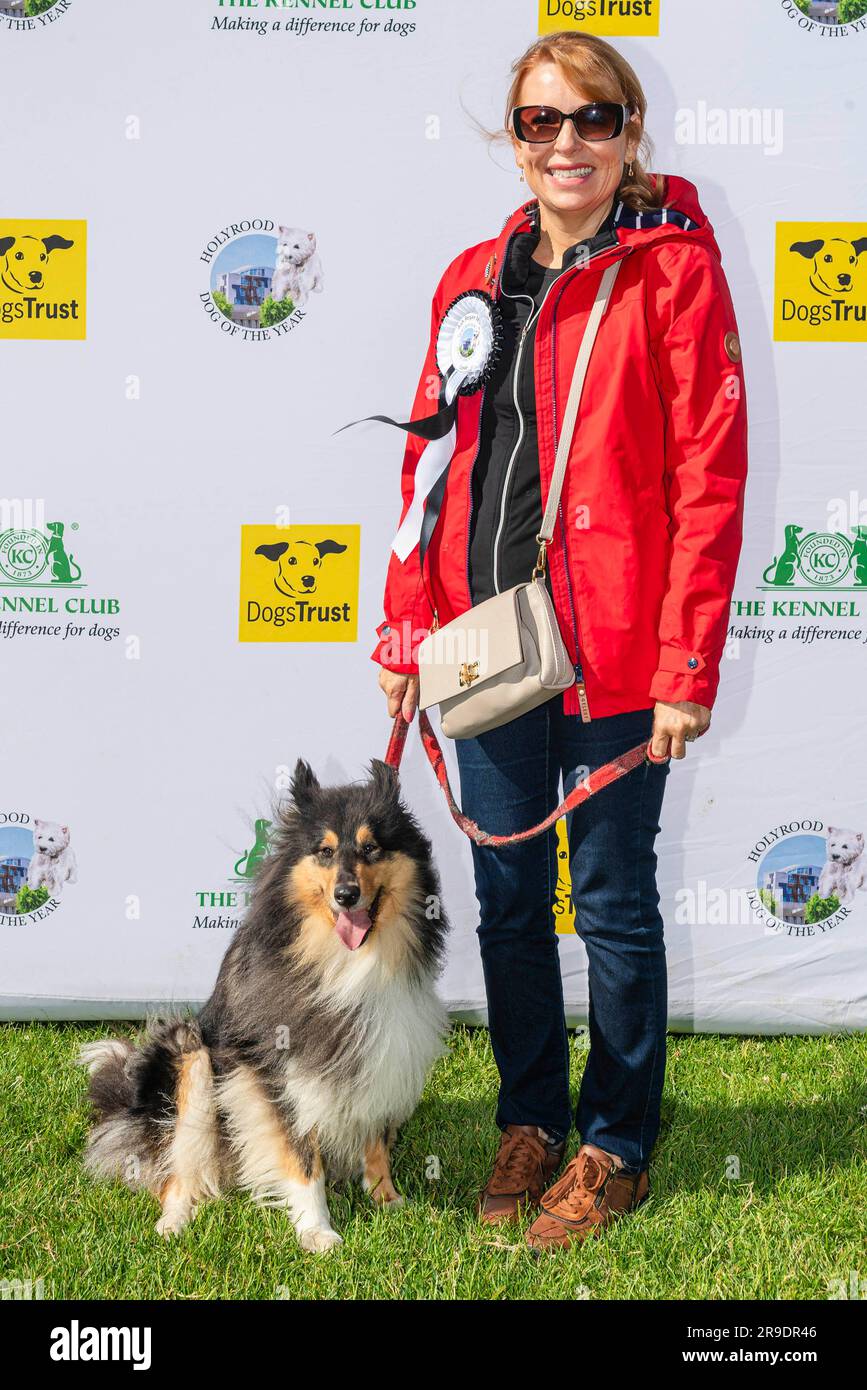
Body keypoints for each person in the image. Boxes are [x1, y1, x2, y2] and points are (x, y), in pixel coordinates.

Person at [373, 31, 748, 1251]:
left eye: (594, 119)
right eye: (542, 121)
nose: (569, 143)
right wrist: (403, 623)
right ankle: (531, 1117)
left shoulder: (674, 271)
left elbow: (709, 474)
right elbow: (429, 461)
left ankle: (616, 1144)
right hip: (485, 641)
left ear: (630, 130)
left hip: (620, 646)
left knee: (620, 902)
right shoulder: (474, 276)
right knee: (507, 898)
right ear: (514, 138)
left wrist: (687, 668)